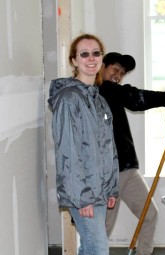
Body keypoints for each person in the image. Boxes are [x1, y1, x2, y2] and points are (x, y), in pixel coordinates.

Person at [99, 52, 165, 255]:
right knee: (101, 230)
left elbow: (134, 99)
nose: (118, 76)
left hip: (128, 170)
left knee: (149, 214)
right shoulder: (100, 90)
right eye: (115, 70)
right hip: (106, 176)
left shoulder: (113, 91)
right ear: (101, 67)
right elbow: (136, 99)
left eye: (122, 73)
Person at [48, 34, 119, 255]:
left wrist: (110, 187)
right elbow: (67, 151)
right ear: (74, 61)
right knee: (97, 249)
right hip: (84, 192)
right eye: (84, 54)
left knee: (90, 248)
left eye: (96, 53)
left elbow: (107, 148)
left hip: (99, 189)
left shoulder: (98, 98)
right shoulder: (69, 98)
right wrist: (82, 198)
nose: (91, 58)